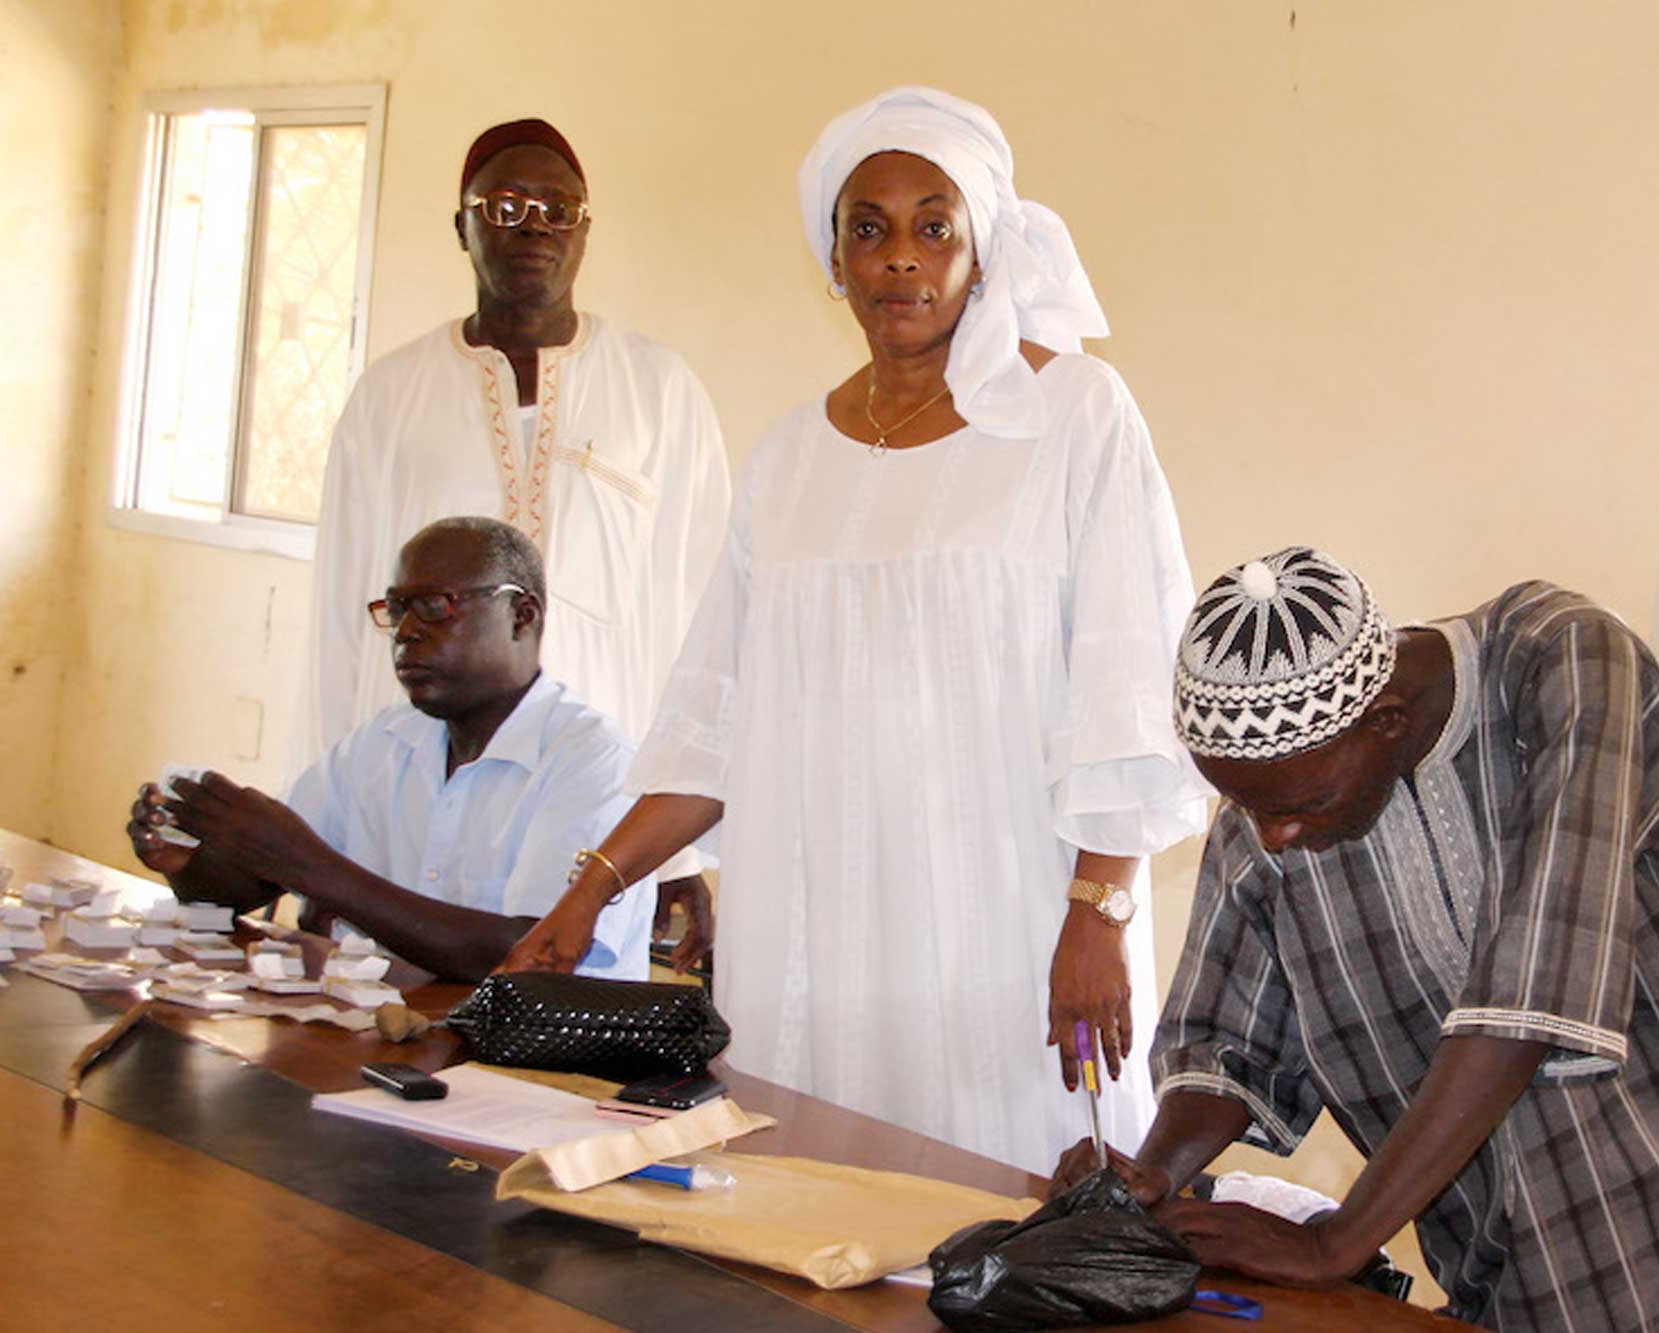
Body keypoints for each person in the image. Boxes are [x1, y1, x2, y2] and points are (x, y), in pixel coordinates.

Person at [500, 87, 1207, 1172]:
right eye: (865, 230)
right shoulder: (787, 460)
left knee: (1006, 1215)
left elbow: (1128, 675)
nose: (898, 259)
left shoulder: (1073, 417)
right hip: (817, 941)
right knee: (817, 1225)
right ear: (832, 262)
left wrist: (1100, 910)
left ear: (983, 251)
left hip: (1006, 929)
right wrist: (589, 890)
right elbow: (715, 724)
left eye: (935, 226)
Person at [1054, 546, 1659, 1330]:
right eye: (1247, 808)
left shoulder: (1563, 660)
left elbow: (1533, 986)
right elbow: (1231, 1042)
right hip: (1531, 1217)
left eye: (1293, 808)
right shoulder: (1277, 806)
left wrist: (1334, 1242)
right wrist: (1151, 1175)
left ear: (1387, 719)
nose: (1272, 837)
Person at [299, 118, 729, 964]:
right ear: (462, 226)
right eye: (505, 204)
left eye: (558, 208)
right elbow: (339, 624)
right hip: (417, 791)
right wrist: (325, 860)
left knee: (560, 1043)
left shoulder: (660, 392)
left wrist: (678, 850)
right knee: (395, 1022)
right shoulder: (390, 398)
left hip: (598, 805)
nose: (535, 224)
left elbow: (702, 625)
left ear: (584, 231)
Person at [129, 518, 654, 983]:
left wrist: (307, 865)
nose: (405, 632)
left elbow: (528, 954)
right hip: (404, 1046)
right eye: (397, 609)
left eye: (433, 606)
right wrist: (190, 866)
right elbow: (249, 883)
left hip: (543, 1073)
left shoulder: (594, 763)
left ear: (522, 614)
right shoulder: (384, 743)